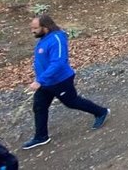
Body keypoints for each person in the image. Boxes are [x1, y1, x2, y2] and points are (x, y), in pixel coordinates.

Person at [22, 15, 109, 150]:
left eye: (35, 28)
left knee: (71, 102)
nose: (32, 31)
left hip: (60, 81)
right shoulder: (44, 38)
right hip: (46, 82)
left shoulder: (57, 39)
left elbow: (59, 63)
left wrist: (40, 80)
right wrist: (40, 79)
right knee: (39, 107)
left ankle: (101, 112)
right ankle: (41, 137)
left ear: (45, 28)